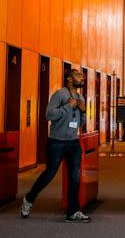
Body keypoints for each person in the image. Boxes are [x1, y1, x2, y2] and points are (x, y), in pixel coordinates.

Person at [20, 69, 91, 223]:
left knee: (75, 176)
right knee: (49, 174)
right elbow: (49, 115)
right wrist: (67, 106)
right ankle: (29, 198)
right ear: (69, 79)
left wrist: (83, 111)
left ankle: (73, 212)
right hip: (57, 142)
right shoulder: (59, 95)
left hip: (73, 142)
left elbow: (80, 122)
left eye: (81, 75)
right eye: (78, 75)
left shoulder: (80, 97)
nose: (81, 77)